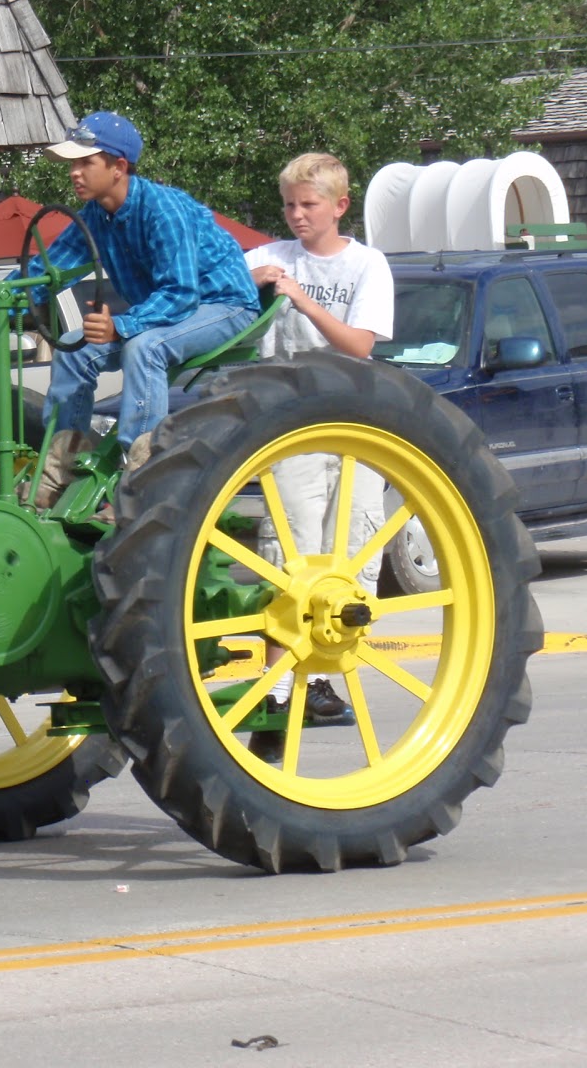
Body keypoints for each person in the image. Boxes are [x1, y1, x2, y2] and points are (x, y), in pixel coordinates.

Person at [0, 111, 259, 497]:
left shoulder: (163, 210)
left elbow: (181, 295)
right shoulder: (96, 218)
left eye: (86, 162)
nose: (74, 172)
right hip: (167, 312)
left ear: (118, 167)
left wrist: (121, 326)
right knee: (74, 345)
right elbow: (40, 276)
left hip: (224, 304)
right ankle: (62, 467)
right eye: (73, 164)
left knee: (144, 346)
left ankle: (142, 477)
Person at [245, 152, 395, 741]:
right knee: (291, 552)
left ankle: (324, 676)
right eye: (289, 205)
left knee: (355, 549)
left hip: (353, 419)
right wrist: (251, 282)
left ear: (339, 206)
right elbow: (221, 286)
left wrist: (301, 298)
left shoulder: (367, 265)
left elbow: (359, 346)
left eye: (308, 204)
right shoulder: (268, 256)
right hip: (292, 422)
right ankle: (278, 691)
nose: (297, 215)